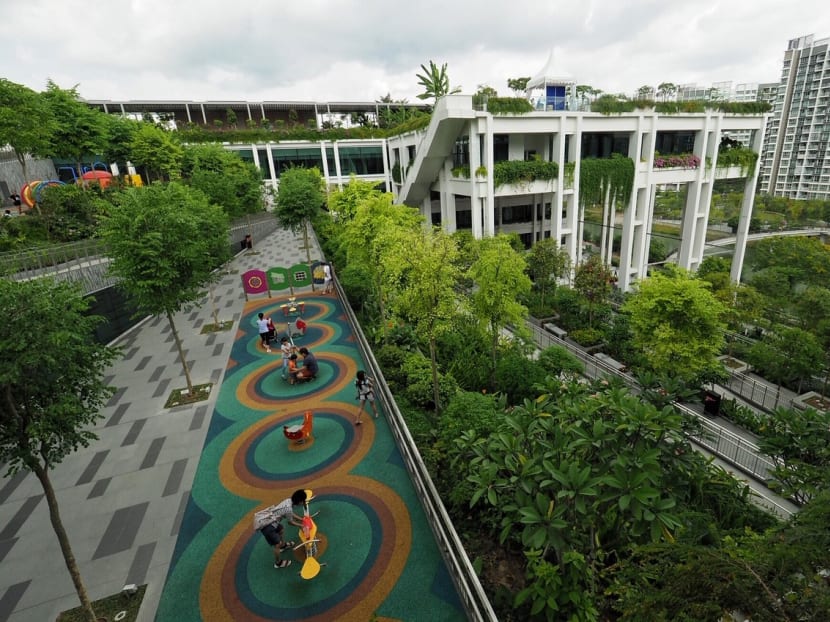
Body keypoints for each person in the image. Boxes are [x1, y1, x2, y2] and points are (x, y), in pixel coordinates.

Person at [253, 489, 307, 569]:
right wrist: (301, 525)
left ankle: (283, 546)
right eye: (303, 501)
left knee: (281, 530)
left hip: (272, 520)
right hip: (268, 527)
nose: (303, 503)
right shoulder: (289, 508)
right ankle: (278, 563)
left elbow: (290, 514)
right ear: (299, 501)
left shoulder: (288, 501)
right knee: (276, 545)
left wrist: (301, 519)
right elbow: (290, 522)